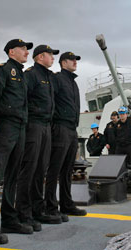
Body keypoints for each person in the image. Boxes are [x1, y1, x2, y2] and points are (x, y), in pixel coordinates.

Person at [0, 38, 34, 238]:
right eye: (23, 49)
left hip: (20, 128)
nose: (26, 52)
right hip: (4, 128)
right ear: (11, 52)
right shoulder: (3, 71)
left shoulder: (21, 74)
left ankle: (10, 220)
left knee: (12, 176)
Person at [16, 44, 61, 231]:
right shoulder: (31, 75)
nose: (53, 58)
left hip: (46, 127)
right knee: (30, 170)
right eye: (50, 55)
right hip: (33, 125)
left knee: (41, 169)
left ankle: (37, 209)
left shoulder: (49, 77)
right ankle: (23, 213)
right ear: (40, 57)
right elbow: (23, 100)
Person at [45, 51, 87, 219]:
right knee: (55, 169)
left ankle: (66, 204)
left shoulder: (73, 82)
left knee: (68, 169)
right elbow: (51, 101)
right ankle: (50, 206)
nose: (75, 62)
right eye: (72, 60)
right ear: (63, 63)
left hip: (71, 129)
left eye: (76, 59)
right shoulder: (57, 79)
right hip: (60, 127)